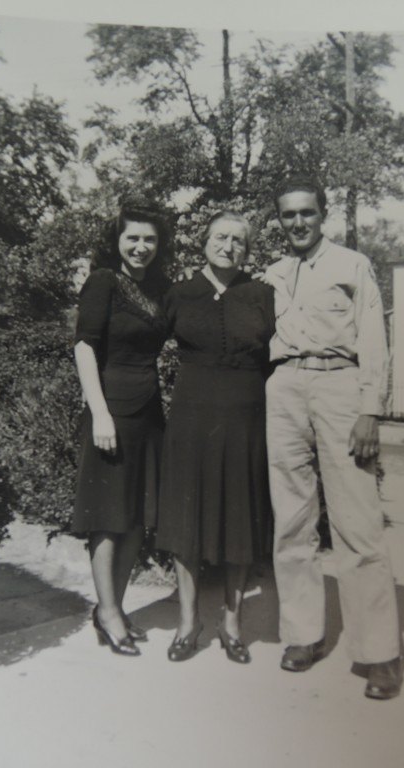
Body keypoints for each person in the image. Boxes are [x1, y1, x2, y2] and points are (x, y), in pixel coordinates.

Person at [262, 175, 403, 699]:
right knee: (292, 520)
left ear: (323, 215)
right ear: (279, 219)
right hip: (284, 389)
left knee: (357, 523)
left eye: (307, 213)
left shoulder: (352, 265)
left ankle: (379, 652)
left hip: (341, 387)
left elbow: (374, 340)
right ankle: (303, 635)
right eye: (288, 214)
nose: (297, 222)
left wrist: (371, 409)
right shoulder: (271, 274)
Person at [155, 211, 275, 664]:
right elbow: (140, 344)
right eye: (220, 238)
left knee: (239, 520)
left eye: (239, 241)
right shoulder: (180, 294)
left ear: (248, 249)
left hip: (246, 421)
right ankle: (189, 622)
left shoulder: (261, 295)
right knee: (187, 522)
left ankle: (231, 624)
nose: (229, 246)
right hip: (191, 419)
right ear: (203, 242)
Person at [71, 199, 172, 656]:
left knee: (135, 518)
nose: (141, 246)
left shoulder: (160, 289)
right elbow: (85, 348)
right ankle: (107, 612)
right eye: (132, 237)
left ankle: (116, 607)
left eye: (150, 238)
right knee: (109, 518)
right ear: (117, 240)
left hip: (148, 412)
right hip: (109, 409)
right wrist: (101, 413)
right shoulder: (103, 283)